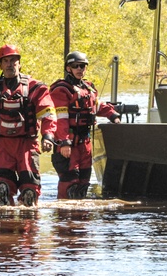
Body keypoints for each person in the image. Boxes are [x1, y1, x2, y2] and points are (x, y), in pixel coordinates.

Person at [0, 45, 56, 206]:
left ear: (19, 63)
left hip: (27, 144)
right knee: (2, 188)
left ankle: (28, 228)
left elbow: (48, 115)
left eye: (13, 60)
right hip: (1, 146)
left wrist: (48, 136)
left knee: (30, 193)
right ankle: (3, 229)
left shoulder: (35, 89)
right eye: (6, 61)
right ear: (0, 65)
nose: (10, 64)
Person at [50, 51, 122, 199]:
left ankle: (81, 220)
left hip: (85, 144)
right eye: (75, 66)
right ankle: (64, 218)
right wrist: (64, 142)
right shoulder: (61, 90)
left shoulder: (88, 88)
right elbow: (60, 119)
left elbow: (97, 106)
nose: (79, 69)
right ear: (68, 68)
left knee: (84, 181)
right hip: (69, 145)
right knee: (70, 181)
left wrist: (113, 115)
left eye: (82, 66)